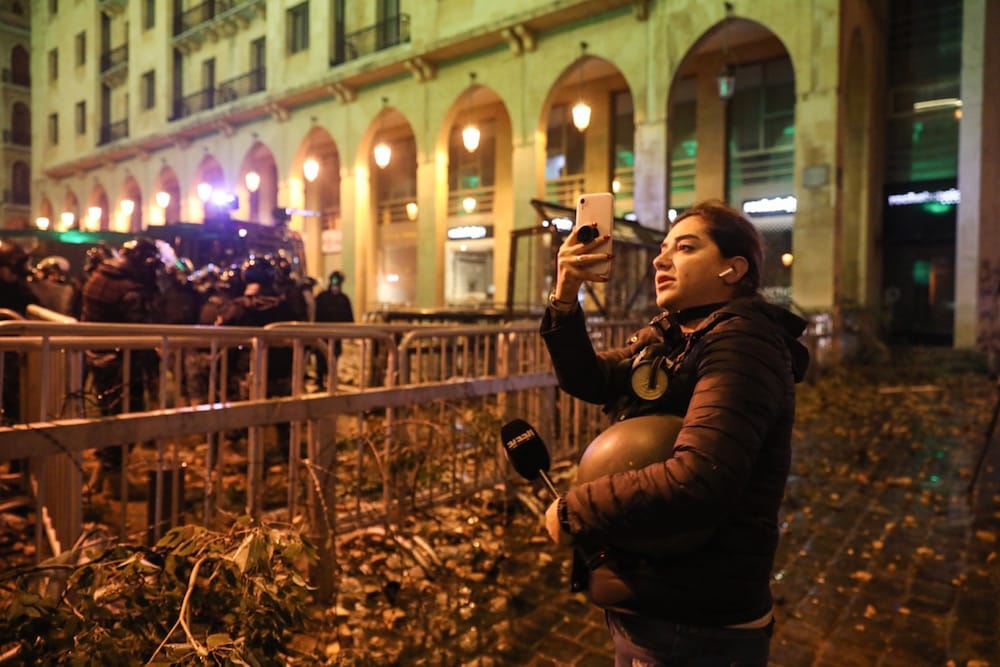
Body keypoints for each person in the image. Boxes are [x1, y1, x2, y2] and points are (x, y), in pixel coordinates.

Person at [540, 200, 810, 666]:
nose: (660, 260)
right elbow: (587, 378)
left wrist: (574, 510)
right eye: (662, 248)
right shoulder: (674, 336)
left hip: (696, 623)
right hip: (660, 603)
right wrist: (565, 295)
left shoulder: (742, 343)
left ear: (733, 269)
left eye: (685, 248)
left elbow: (699, 478)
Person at [313, 270, 354, 389]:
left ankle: (329, 378)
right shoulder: (322, 297)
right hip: (322, 332)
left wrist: (349, 331)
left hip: (336, 334)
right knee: (321, 356)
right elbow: (316, 314)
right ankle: (320, 379)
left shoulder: (343, 299)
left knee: (334, 356)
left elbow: (348, 317)